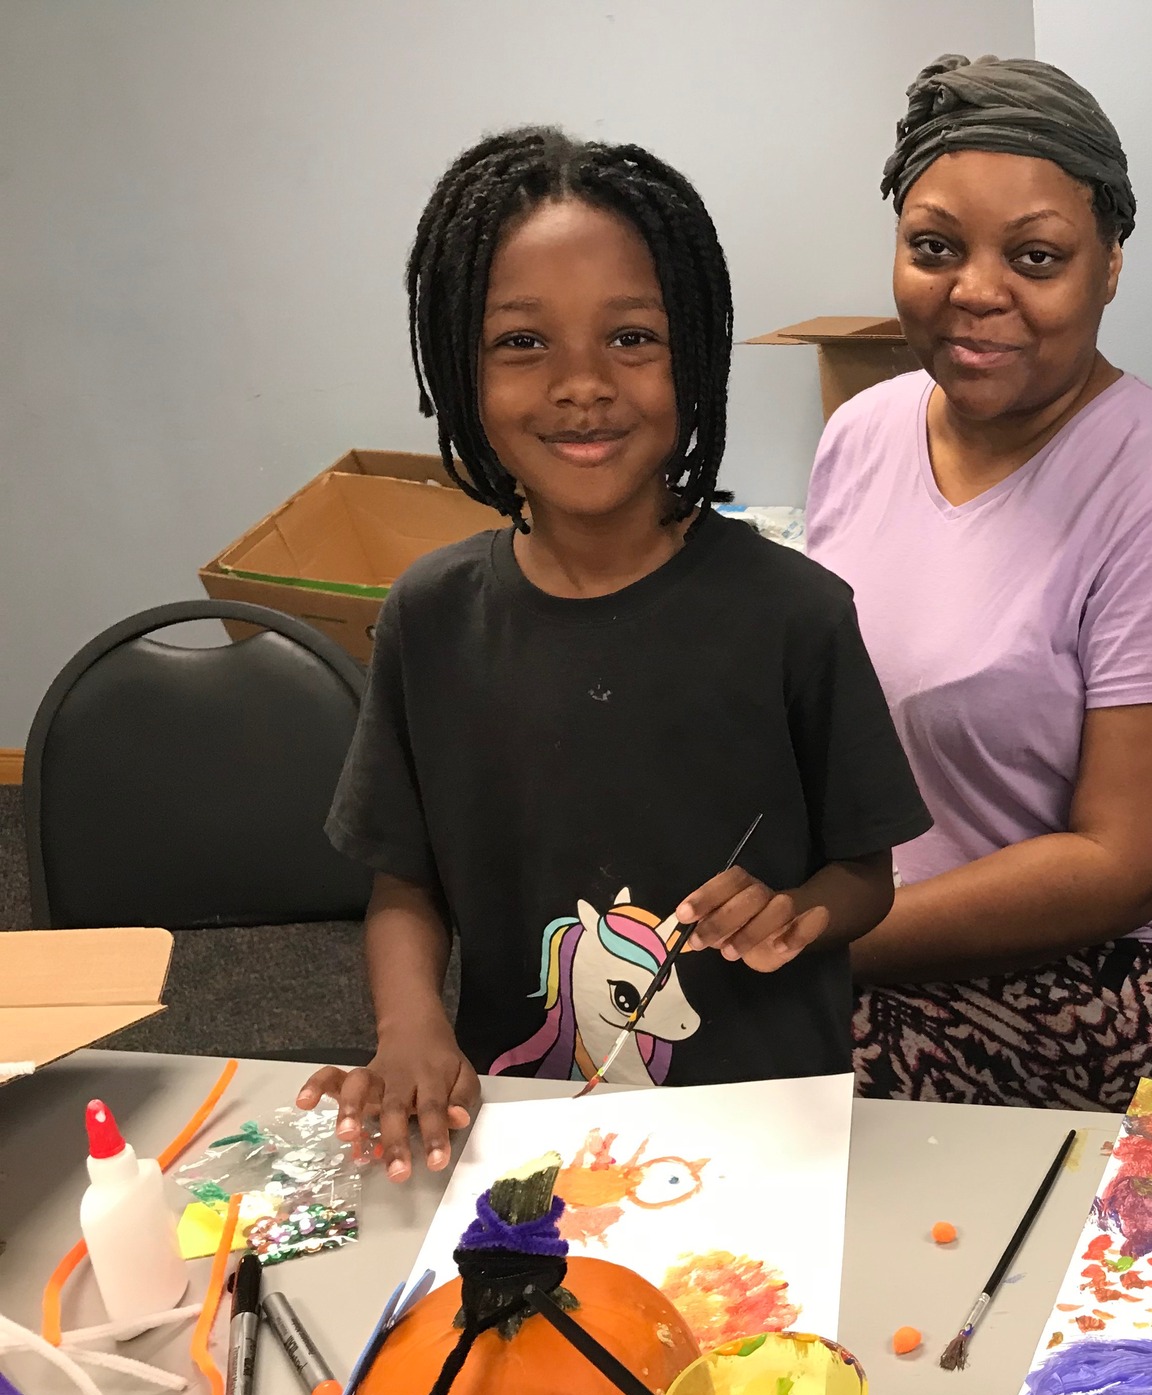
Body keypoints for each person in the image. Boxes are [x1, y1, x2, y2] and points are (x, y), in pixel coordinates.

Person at [298, 128, 930, 1180]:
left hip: (769, 1129)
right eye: (522, 342)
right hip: (524, 1124)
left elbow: (867, 876)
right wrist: (409, 1028)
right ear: (458, 367)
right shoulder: (432, 616)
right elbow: (404, 881)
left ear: (696, 355)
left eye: (632, 337)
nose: (582, 384)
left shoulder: (796, 612)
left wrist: (796, 911)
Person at [805, 55, 1152, 1112]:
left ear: (1108, 266)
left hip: (1128, 972)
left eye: (1035, 257)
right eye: (935, 247)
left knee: (755, 1059)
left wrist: (822, 944)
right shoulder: (860, 432)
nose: (976, 292)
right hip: (876, 913)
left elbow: (1122, 867)